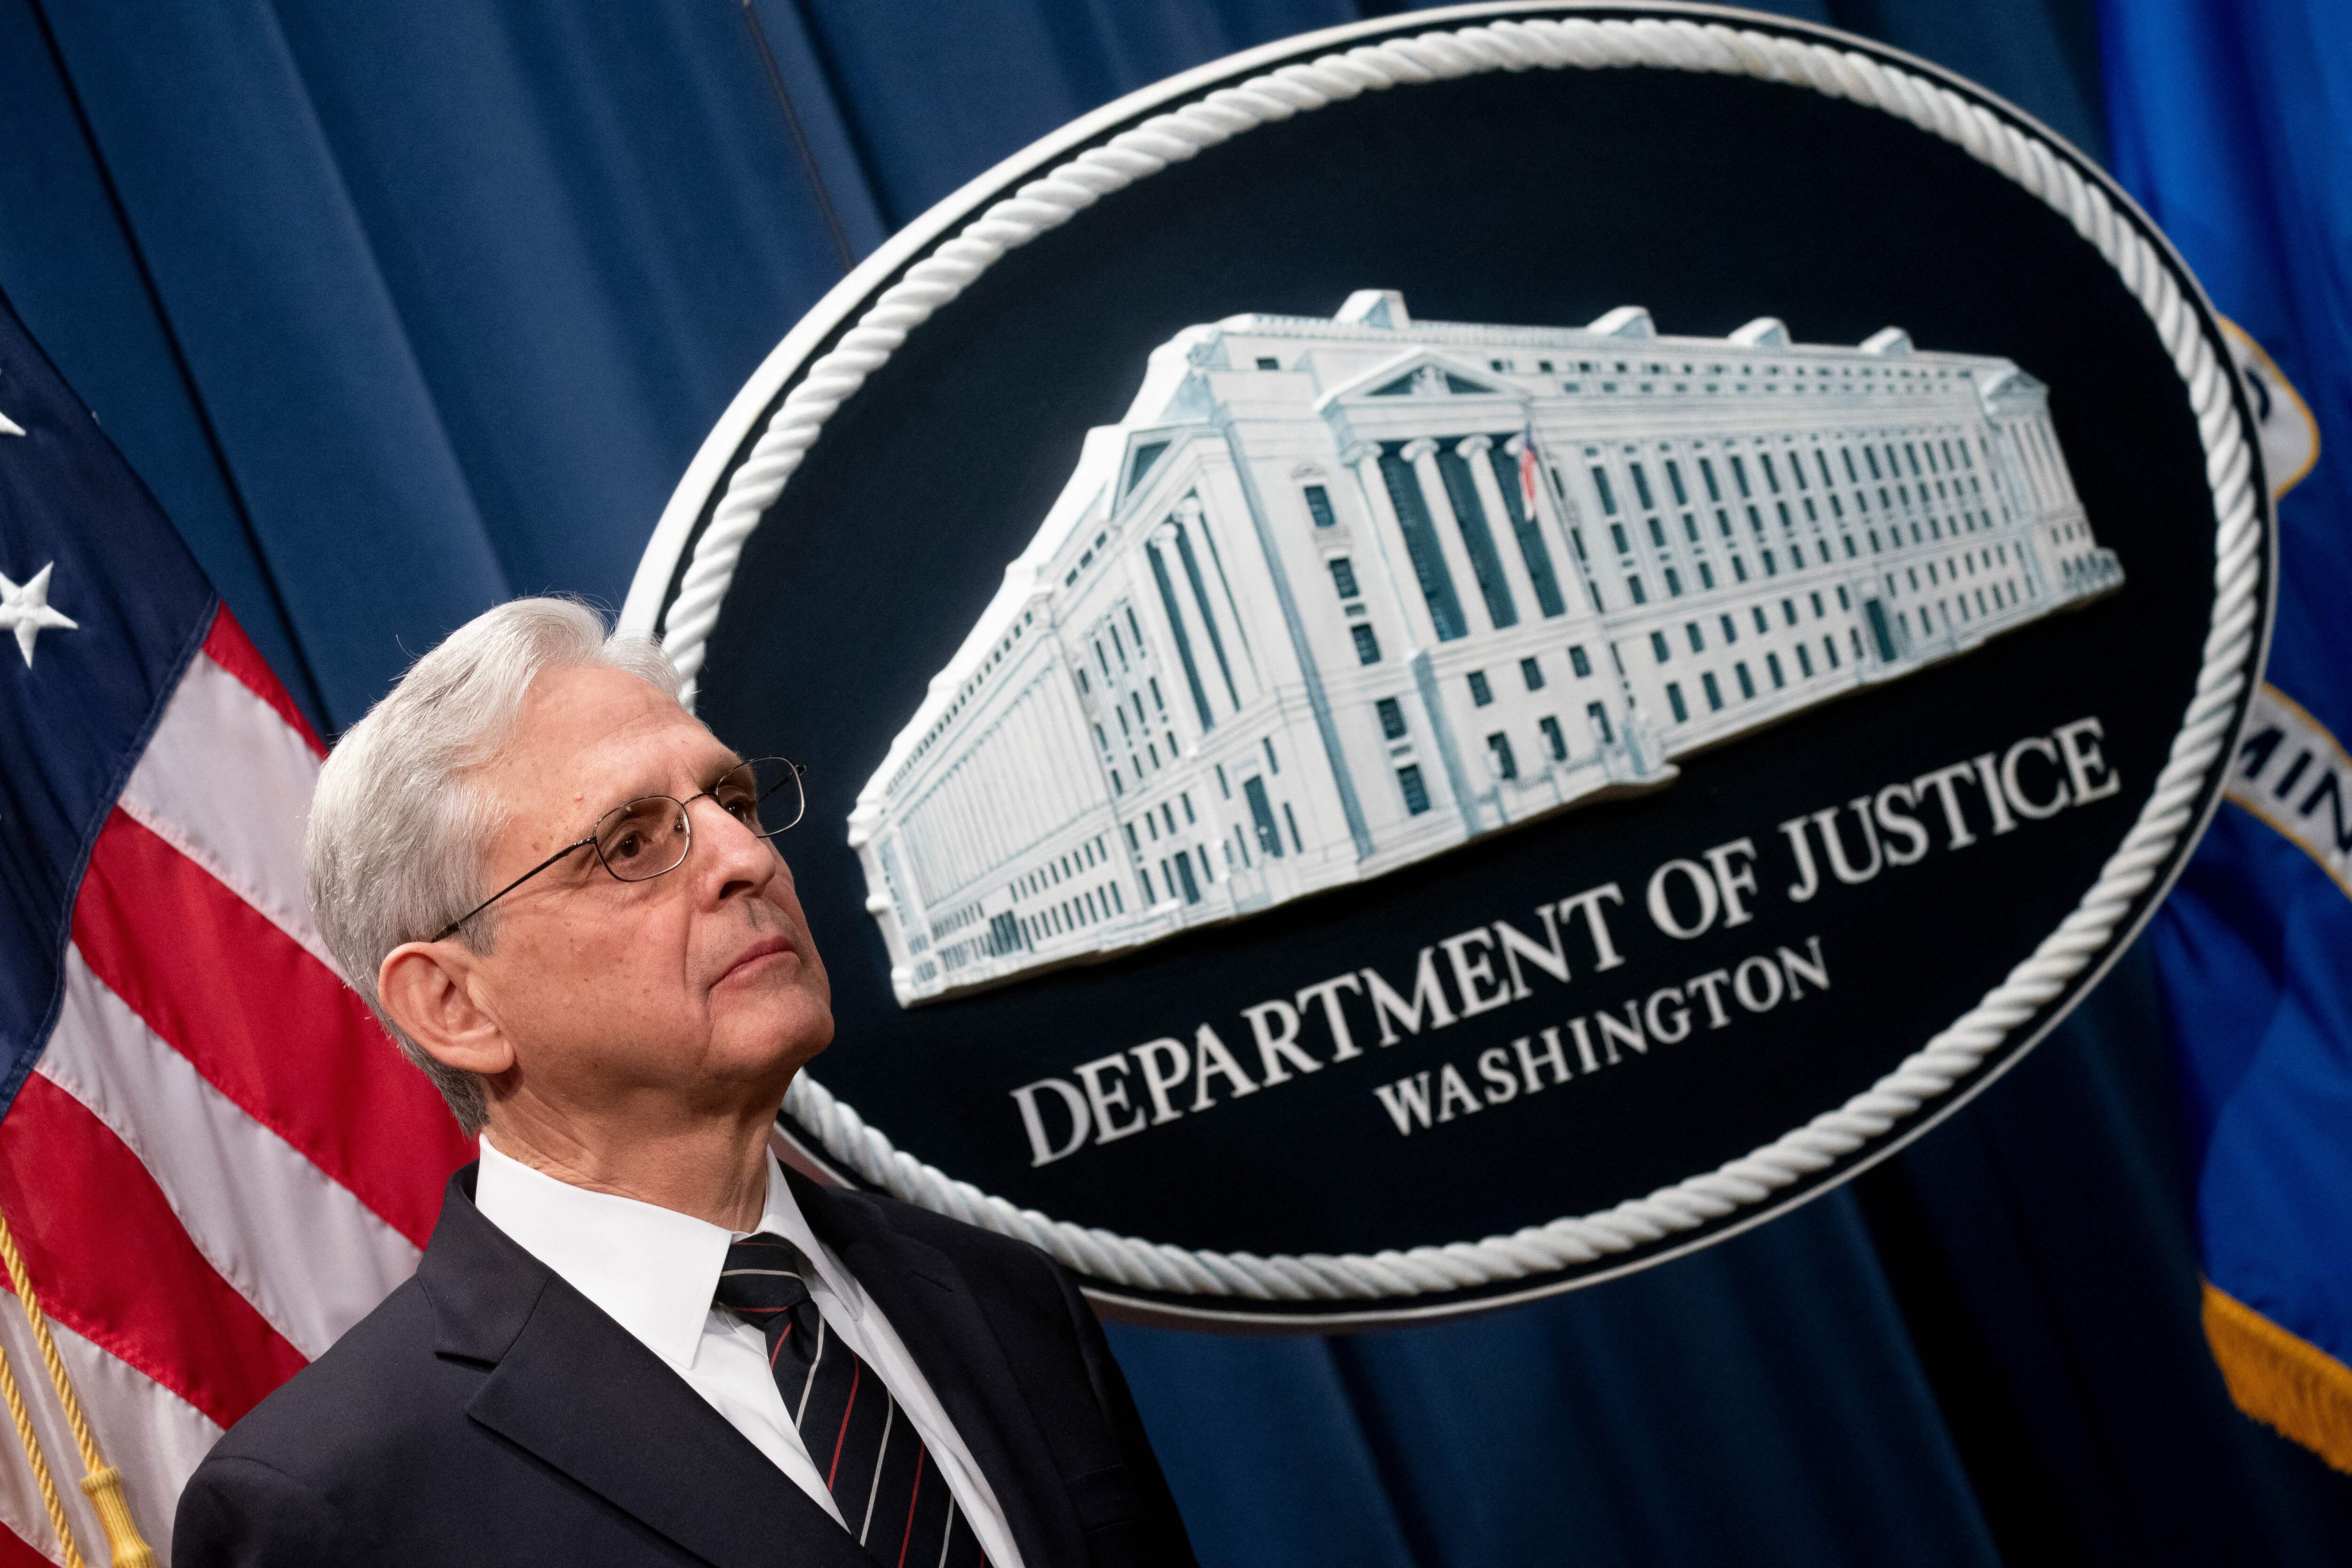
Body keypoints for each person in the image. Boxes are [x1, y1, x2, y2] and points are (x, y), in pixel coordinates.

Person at [174, 599, 1193, 1568]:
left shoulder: (1004, 1294)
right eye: (630, 842)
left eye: (736, 802)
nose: (748, 857)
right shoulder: (331, 1499)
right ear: (455, 1005)